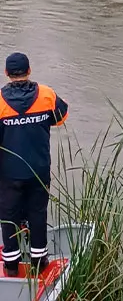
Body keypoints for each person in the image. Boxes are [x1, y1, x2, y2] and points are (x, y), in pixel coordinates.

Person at [0, 53, 68, 276]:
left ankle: (11, 266)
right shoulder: (46, 95)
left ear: (7, 74)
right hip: (38, 170)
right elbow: (61, 117)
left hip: (9, 173)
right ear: (29, 71)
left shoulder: (0, 101)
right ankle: (39, 262)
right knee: (38, 213)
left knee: (8, 215)